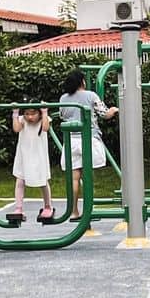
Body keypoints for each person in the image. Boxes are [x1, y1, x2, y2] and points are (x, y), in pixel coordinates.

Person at [57, 68, 117, 207]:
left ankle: (74, 210)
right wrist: (113, 110)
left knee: (74, 178)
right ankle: (88, 209)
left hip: (71, 140)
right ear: (82, 81)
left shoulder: (63, 98)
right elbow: (104, 114)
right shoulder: (91, 95)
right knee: (87, 176)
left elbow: (62, 115)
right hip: (89, 138)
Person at [9, 105, 55, 225]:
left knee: (43, 181)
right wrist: (15, 114)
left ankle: (48, 206)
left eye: (33, 114)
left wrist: (45, 112)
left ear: (39, 113)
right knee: (20, 180)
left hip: (38, 154)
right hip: (24, 154)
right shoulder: (22, 120)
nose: (30, 117)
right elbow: (16, 129)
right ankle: (18, 207)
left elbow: (45, 128)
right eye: (27, 114)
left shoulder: (44, 119)